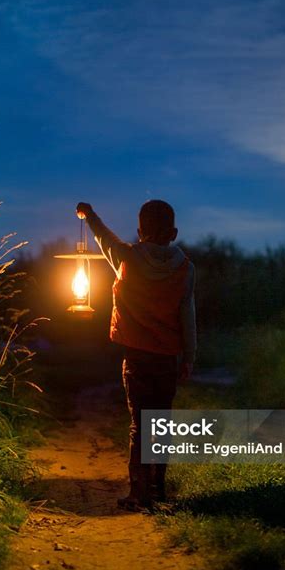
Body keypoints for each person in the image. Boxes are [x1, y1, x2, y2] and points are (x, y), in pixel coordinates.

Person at [76, 199, 196, 510]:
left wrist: (89, 215)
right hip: (168, 358)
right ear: (174, 232)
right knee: (162, 424)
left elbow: (104, 237)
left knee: (140, 424)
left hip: (138, 358)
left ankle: (138, 492)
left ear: (140, 231)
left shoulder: (127, 258)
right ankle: (159, 490)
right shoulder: (185, 269)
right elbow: (188, 316)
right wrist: (189, 357)